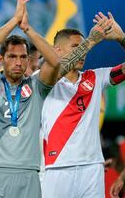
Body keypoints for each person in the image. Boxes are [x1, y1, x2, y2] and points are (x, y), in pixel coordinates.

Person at [0, 0, 62, 198]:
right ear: (1, 59)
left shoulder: (37, 87)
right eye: (12, 56)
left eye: (23, 57)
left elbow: (55, 61)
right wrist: (14, 20)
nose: (19, 62)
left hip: (28, 172)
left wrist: (27, 29)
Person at [41, 12, 125, 198]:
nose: (83, 52)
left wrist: (121, 38)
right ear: (57, 50)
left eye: (83, 48)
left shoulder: (97, 77)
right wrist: (90, 41)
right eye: (75, 47)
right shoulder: (44, 80)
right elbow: (56, 71)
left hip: (92, 168)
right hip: (57, 168)